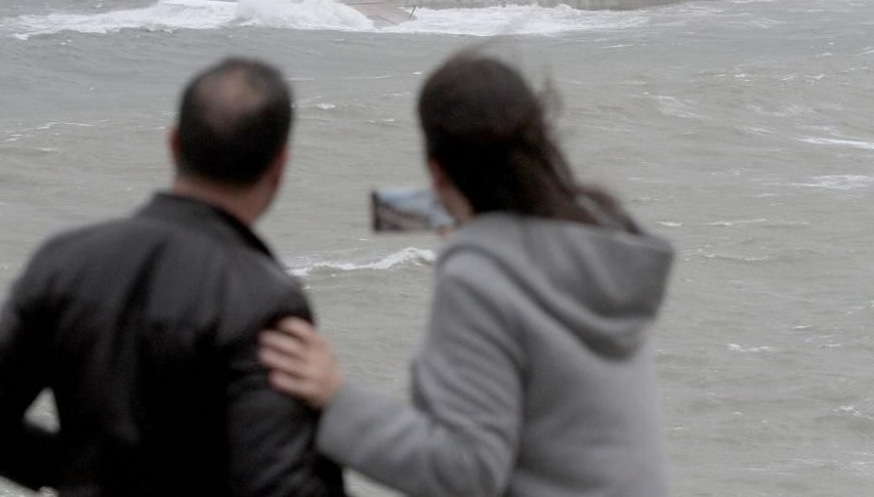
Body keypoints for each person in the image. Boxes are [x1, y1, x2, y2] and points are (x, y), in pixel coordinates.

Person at [260, 52, 674, 497]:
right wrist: (447, 210)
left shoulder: (478, 277)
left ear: (437, 170)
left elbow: (467, 472)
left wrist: (335, 399)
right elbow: (508, 202)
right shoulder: (600, 233)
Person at [0, 58, 346, 497]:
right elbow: (276, 484)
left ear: (173, 144)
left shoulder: (63, 260)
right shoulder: (265, 297)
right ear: (279, 167)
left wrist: (82, 475)